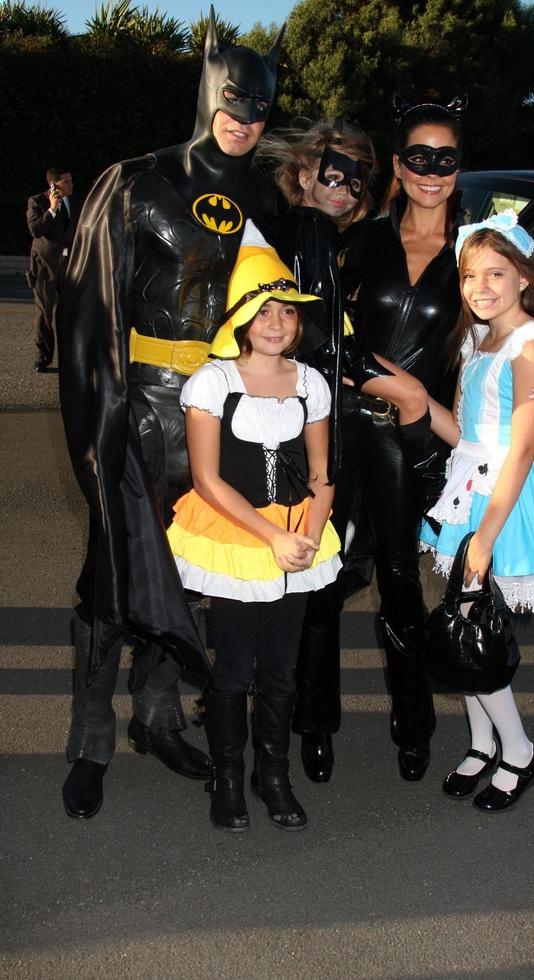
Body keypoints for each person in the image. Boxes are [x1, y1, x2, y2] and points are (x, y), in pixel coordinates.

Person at [56, 9, 285, 819]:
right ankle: (91, 736)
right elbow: (92, 308)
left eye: (258, 110)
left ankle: (155, 715)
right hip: (140, 409)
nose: (243, 120)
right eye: (232, 103)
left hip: (216, 416)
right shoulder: (140, 179)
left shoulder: (269, 192)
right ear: (207, 94)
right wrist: (100, 416)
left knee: (188, 570)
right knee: (113, 574)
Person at [335, 97, 534, 782]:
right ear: (398, 164)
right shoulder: (373, 247)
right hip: (419, 459)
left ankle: (503, 748)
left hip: (476, 479)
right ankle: (468, 739)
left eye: (445, 159)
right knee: (431, 602)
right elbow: (456, 407)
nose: (432, 171)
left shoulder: (482, 265)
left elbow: (523, 382)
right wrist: (405, 392)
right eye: (419, 157)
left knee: (462, 610)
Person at [264, 120, 440, 781]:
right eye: (330, 175)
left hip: (356, 429)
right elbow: (317, 344)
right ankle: (337, 727)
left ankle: (340, 728)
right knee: (332, 579)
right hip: (319, 432)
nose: (342, 189)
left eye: (354, 180)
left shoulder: (346, 240)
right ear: (304, 174)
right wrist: (401, 387)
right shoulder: (297, 232)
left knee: (358, 577)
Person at [167, 225, 342, 832]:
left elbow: (323, 473)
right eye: (261, 310)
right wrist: (271, 538)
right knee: (232, 667)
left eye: (286, 311)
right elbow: (208, 480)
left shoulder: (311, 383)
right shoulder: (214, 383)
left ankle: (274, 775)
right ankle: (226, 776)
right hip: (237, 538)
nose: (275, 322)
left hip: (298, 539)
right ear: (239, 319)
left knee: (281, 669)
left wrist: (310, 536)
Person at [420, 210, 534, 810]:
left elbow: (523, 449)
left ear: (524, 280)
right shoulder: (476, 338)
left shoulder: (532, 345)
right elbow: (462, 432)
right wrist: (416, 398)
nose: (481, 288)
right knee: (464, 623)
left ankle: (519, 749)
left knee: (479, 627)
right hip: (468, 486)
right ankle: (482, 740)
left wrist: (484, 537)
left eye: (496, 274)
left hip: (502, 503)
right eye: (469, 276)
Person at [26, 167, 80, 371]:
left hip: (70, 266)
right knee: (44, 313)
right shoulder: (37, 202)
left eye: (71, 180)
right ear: (53, 185)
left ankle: (72, 356)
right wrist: (51, 208)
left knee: (72, 312)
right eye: (66, 182)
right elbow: (35, 230)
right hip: (44, 266)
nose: (71, 184)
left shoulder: (76, 203)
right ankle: (44, 355)